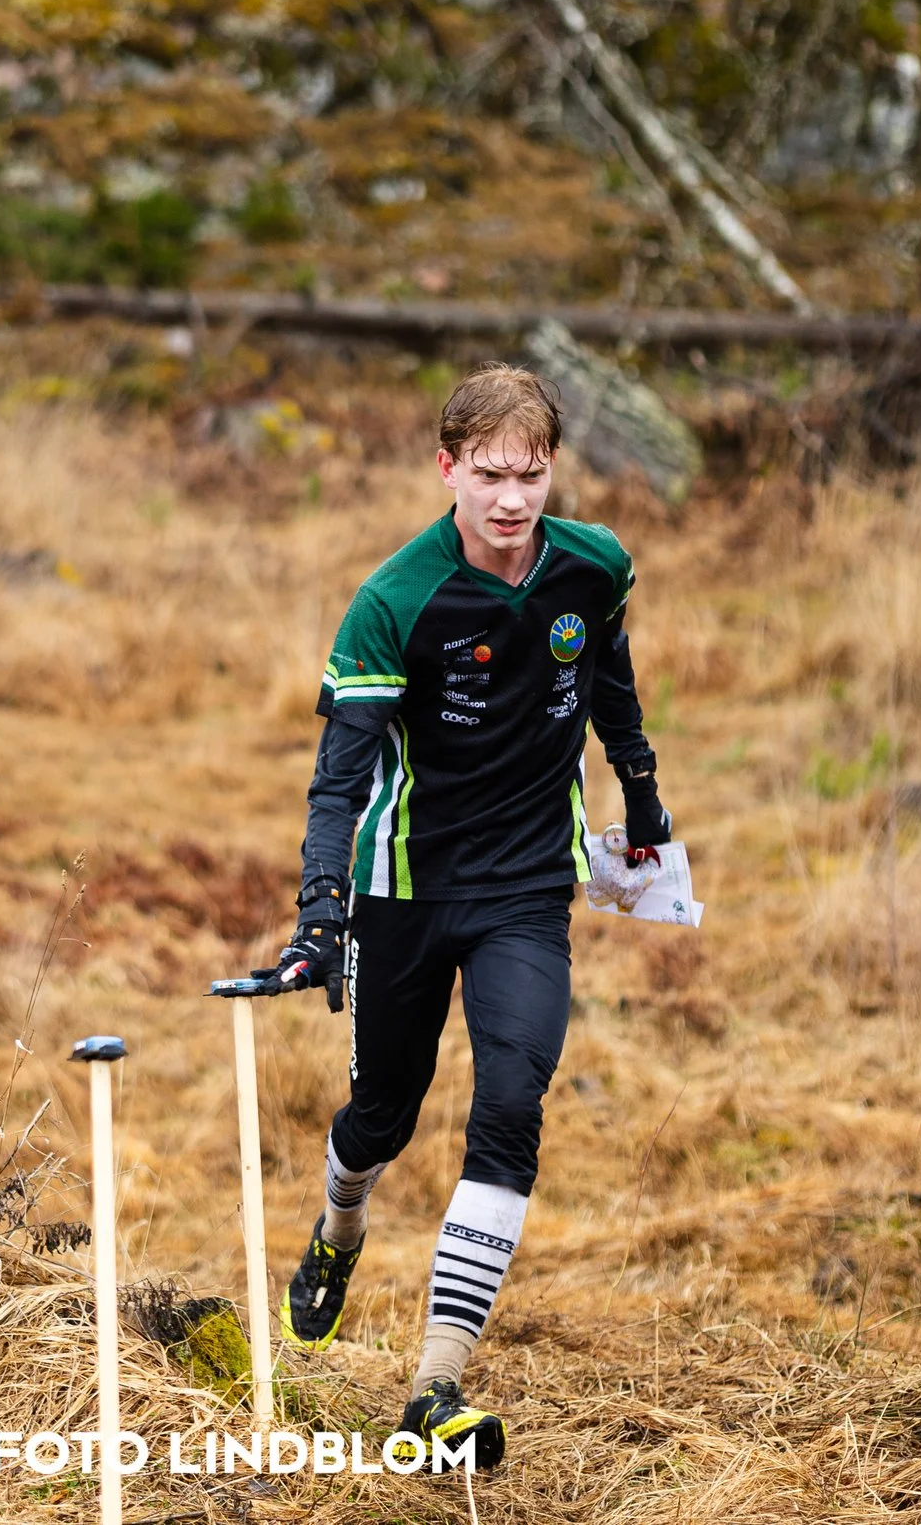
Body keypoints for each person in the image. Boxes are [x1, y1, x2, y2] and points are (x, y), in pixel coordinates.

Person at [257, 362, 673, 1471]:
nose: (509, 499)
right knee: (381, 1116)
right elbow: (337, 778)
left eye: (530, 474)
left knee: (511, 1100)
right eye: (487, 474)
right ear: (446, 467)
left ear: (551, 471)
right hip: (402, 889)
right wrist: (318, 911)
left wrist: (638, 788)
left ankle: (433, 1386)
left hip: (527, 890)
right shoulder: (393, 600)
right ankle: (339, 1224)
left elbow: (610, 673)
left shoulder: (594, 565)